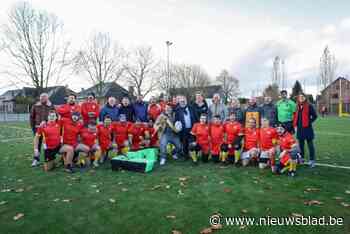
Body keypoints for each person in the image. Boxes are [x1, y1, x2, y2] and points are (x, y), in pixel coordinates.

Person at [30, 93, 55, 167]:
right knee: (37, 144)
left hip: (48, 129)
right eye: (41, 97)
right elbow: (32, 117)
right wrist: (33, 128)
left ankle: (48, 159)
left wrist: (48, 123)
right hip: (37, 128)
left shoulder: (51, 106)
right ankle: (36, 159)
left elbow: (54, 116)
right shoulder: (35, 106)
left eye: (44, 97)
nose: (42, 98)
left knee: (47, 145)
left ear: (47, 98)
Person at [293, 93, 318, 167]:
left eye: (302, 97)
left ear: (305, 98)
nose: (301, 98)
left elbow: (315, 116)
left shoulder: (309, 106)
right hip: (300, 128)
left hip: (307, 128)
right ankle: (302, 158)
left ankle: (312, 160)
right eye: (300, 97)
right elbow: (295, 115)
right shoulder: (297, 106)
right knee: (301, 145)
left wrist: (309, 122)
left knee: (310, 144)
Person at [174, 95, 195, 159]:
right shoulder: (177, 109)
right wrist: (178, 127)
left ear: (186, 101)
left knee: (192, 142)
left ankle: (193, 155)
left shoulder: (191, 107)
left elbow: (195, 116)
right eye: (181, 101)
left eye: (183, 101)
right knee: (185, 142)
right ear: (179, 102)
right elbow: (176, 120)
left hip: (192, 128)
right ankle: (186, 155)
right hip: (183, 129)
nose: (182, 102)